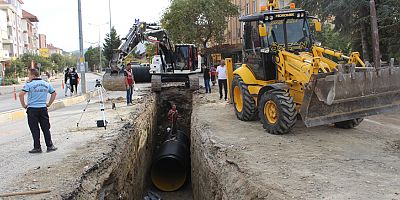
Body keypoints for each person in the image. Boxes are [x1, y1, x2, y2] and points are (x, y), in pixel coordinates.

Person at [19, 68, 57, 153]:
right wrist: (49, 104)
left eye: (28, 75)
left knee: (34, 129)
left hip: (32, 109)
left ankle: (37, 147)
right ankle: (50, 146)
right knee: (46, 128)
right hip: (43, 108)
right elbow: (54, 93)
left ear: (33, 75)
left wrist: (24, 105)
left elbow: (21, 94)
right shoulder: (46, 84)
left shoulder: (29, 84)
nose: (28, 77)